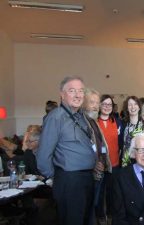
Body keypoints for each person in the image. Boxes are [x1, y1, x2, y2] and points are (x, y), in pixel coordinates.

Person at [37, 76, 96, 225]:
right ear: (62, 94)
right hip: (69, 180)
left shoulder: (83, 117)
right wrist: (55, 179)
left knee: (85, 220)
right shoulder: (56, 117)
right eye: (72, 91)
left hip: (87, 178)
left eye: (81, 91)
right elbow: (43, 155)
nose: (78, 95)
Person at [82, 88, 111, 225]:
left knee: (97, 202)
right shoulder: (82, 121)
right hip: (91, 170)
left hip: (101, 167)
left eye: (97, 103)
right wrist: (95, 162)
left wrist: (103, 159)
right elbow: (84, 148)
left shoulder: (93, 120)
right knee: (90, 205)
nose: (95, 106)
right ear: (83, 103)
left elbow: (99, 144)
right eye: (91, 102)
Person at [97, 94, 123, 223]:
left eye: (109, 104)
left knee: (113, 193)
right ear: (99, 105)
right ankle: (101, 216)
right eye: (104, 104)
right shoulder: (94, 122)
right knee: (99, 193)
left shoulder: (117, 122)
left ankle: (111, 215)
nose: (107, 107)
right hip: (99, 165)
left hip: (115, 164)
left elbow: (122, 142)